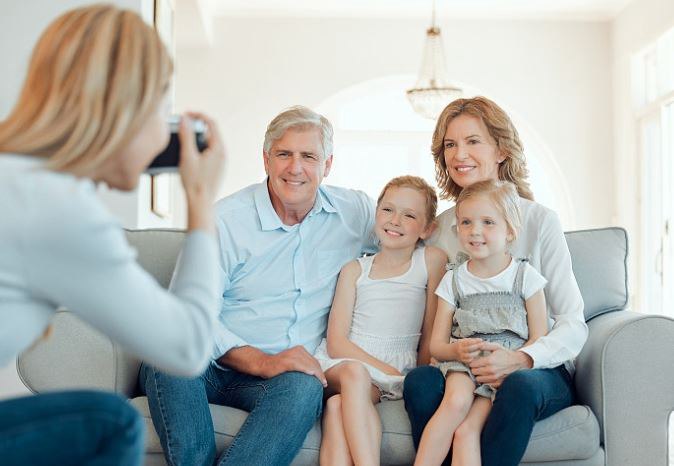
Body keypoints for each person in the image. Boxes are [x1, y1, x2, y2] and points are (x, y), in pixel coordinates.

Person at [0, 5, 226, 466]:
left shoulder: (22, 179)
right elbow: (185, 349)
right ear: (126, 109)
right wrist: (201, 201)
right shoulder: (55, 207)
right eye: (162, 107)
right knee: (110, 422)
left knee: (102, 418)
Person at [140, 105, 377, 466]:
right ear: (266, 160)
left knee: (305, 387)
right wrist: (264, 361)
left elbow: (418, 238)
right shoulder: (225, 220)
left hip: (280, 381)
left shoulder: (356, 213)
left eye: (308, 156)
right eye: (284, 154)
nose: (295, 168)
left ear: (327, 165)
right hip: (208, 364)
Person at [403, 96, 588, 466]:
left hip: (535, 368)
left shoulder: (539, 221)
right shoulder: (441, 229)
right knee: (421, 382)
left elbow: (572, 323)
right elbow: (433, 313)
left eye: (473, 141)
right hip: (464, 364)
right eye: (450, 145)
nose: (459, 155)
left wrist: (522, 358)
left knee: (518, 386)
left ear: (502, 149)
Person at [414, 180, 548, 466]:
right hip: (463, 361)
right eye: (466, 222)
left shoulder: (525, 276)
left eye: (488, 222)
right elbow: (437, 345)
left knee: (466, 432)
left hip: (502, 370)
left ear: (510, 230)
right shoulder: (454, 279)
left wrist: (511, 360)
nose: (475, 231)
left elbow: (540, 338)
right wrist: (457, 352)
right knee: (455, 403)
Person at [315, 175, 447, 466]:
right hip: (346, 362)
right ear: (376, 213)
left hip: (395, 366)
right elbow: (336, 343)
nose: (395, 220)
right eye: (388, 209)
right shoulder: (354, 270)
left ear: (427, 229)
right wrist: (384, 368)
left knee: (337, 407)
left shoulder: (431, 260)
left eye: (409, 215)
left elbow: (431, 328)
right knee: (355, 376)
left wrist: (417, 372)